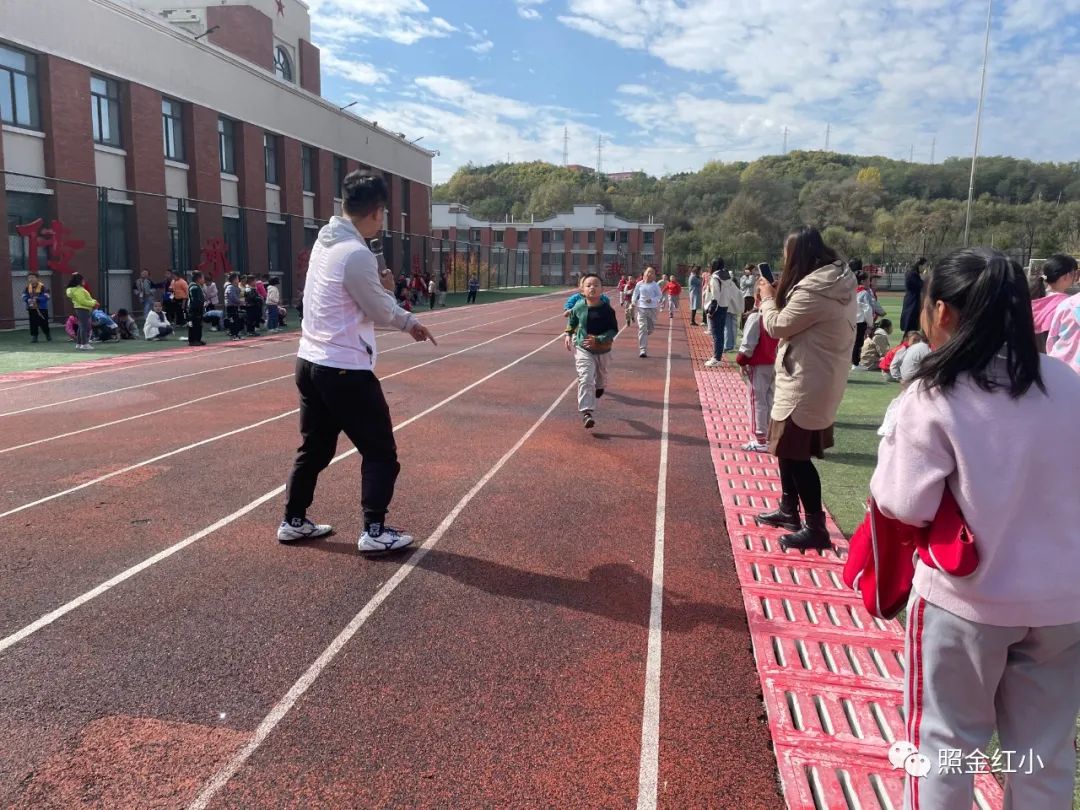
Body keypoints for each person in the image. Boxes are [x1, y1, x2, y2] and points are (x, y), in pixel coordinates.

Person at [869, 247, 1080, 810]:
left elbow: (903, 503)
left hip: (968, 601)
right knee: (1041, 754)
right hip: (1064, 603)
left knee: (942, 745)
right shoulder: (1068, 383)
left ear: (941, 311)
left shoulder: (936, 393)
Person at [280, 171, 437, 553]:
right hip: (344, 368)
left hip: (309, 362)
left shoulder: (324, 242)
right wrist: (408, 319)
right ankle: (375, 530)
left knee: (314, 449)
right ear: (377, 212)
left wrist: (384, 297)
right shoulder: (356, 254)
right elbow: (379, 310)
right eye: (383, 213)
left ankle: (294, 520)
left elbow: (360, 301)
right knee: (381, 451)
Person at [755, 227, 856, 551]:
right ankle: (788, 510)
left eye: (787, 256)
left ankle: (815, 526)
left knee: (797, 456)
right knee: (788, 450)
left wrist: (768, 299)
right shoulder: (833, 282)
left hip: (805, 381)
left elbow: (778, 325)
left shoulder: (816, 290)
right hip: (813, 377)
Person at [564, 273, 618, 430]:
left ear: (602, 289)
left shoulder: (608, 310)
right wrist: (568, 334)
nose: (592, 288)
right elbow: (572, 320)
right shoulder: (579, 307)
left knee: (601, 375)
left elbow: (613, 330)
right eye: (588, 285)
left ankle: (601, 386)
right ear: (582, 289)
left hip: (603, 350)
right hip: (583, 348)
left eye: (596, 285)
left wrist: (599, 339)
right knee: (585, 377)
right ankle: (587, 412)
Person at [735, 288, 779, 452]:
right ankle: (768, 435)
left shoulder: (756, 317)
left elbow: (747, 345)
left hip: (759, 364)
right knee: (769, 400)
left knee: (756, 401)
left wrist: (741, 361)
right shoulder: (777, 316)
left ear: (756, 296)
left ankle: (760, 438)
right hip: (774, 363)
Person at [1030, 254, 1078, 352]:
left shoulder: (1033, 297)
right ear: (1067, 276)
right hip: (1051, 358)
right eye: (1075, 273)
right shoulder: (1068, 304)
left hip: (1029, 355)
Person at [631, 267, 662, 358]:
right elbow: (635, 294)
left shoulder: (655, 285)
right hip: (641, 308)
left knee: (650, 329)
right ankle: (642, 349)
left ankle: (648, 331)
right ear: (644, 273)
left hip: (652, 309)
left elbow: (659, 296)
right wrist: (633, 302)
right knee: (642, 328)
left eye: (652, 273)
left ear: (654, 276)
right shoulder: (639, 284)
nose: (649, 274)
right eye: (648, 272)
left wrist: (652, 300)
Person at [704, 260, 728, 367]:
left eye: (709, 266)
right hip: (724, 306)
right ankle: (718, 356)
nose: (708, 268)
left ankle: (717, 358)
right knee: (720, 333)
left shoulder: (715, 278)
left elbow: (715, 296)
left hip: (717, 308)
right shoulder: (726, 276)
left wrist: (711, 311)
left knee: (716, 334)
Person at [65, 273, 97, 351]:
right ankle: (84, 344)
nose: (84, 281)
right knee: (84, 327)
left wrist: (92, 302)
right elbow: (82, 301)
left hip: (79, 309)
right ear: (80, 281)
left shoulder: (74, 290)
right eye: (83, 279)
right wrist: (93, 303)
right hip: (83, 309)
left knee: (81, 326)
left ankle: (79, 343)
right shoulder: (79, 290)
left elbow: (82, 300)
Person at [717, 268, 745, 353]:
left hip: (728, 308)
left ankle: (728, 345)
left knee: (728, 327)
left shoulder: (726, 284)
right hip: (733, 309)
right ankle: (731, 344)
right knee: (732, 327)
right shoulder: (732, 284)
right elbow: (738, 295)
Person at [900, 257, 927, 332]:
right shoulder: (912, 274)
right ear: (919, 265)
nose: (925, 268)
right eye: (924, 265)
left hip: (913, 301)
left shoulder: (914, 274)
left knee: (912, 327)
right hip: (912, 302)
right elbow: (921, 285)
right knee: (910, 328)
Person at [23, 272, 51, 343]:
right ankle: (34, 336)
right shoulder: (27, 288)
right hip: (31, 308)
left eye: (32, 277)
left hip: (42, 308)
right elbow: (24, 296)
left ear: (37, 278)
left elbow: (47, 296)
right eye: (29, 278)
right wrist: (27, 299)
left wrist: (38, 299)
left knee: (44, 322)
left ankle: (47, 334)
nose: (30, 279)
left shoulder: (43, 287)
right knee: (33, 323)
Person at [187, 270, 206, 346]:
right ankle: (193, 340)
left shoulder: (198, 287)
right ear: (198, 279)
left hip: (198, 309)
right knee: (194, 324)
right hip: (194, 310)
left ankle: (198, 339)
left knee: (199, 325)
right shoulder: (194, 288)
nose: (203, 280)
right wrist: (201, 304)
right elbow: (195, 301)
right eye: (202, 278)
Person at [224, 272, 243, 340]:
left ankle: (237, 334)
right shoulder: (230, 287)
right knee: (232, 321)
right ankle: (233, 335)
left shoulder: (235, 287)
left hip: (235, 306)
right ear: (234, 280)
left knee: (236, 320)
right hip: (230, 307)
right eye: (237, 278)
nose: (238, 280)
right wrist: (240, 302)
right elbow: (233, 297)